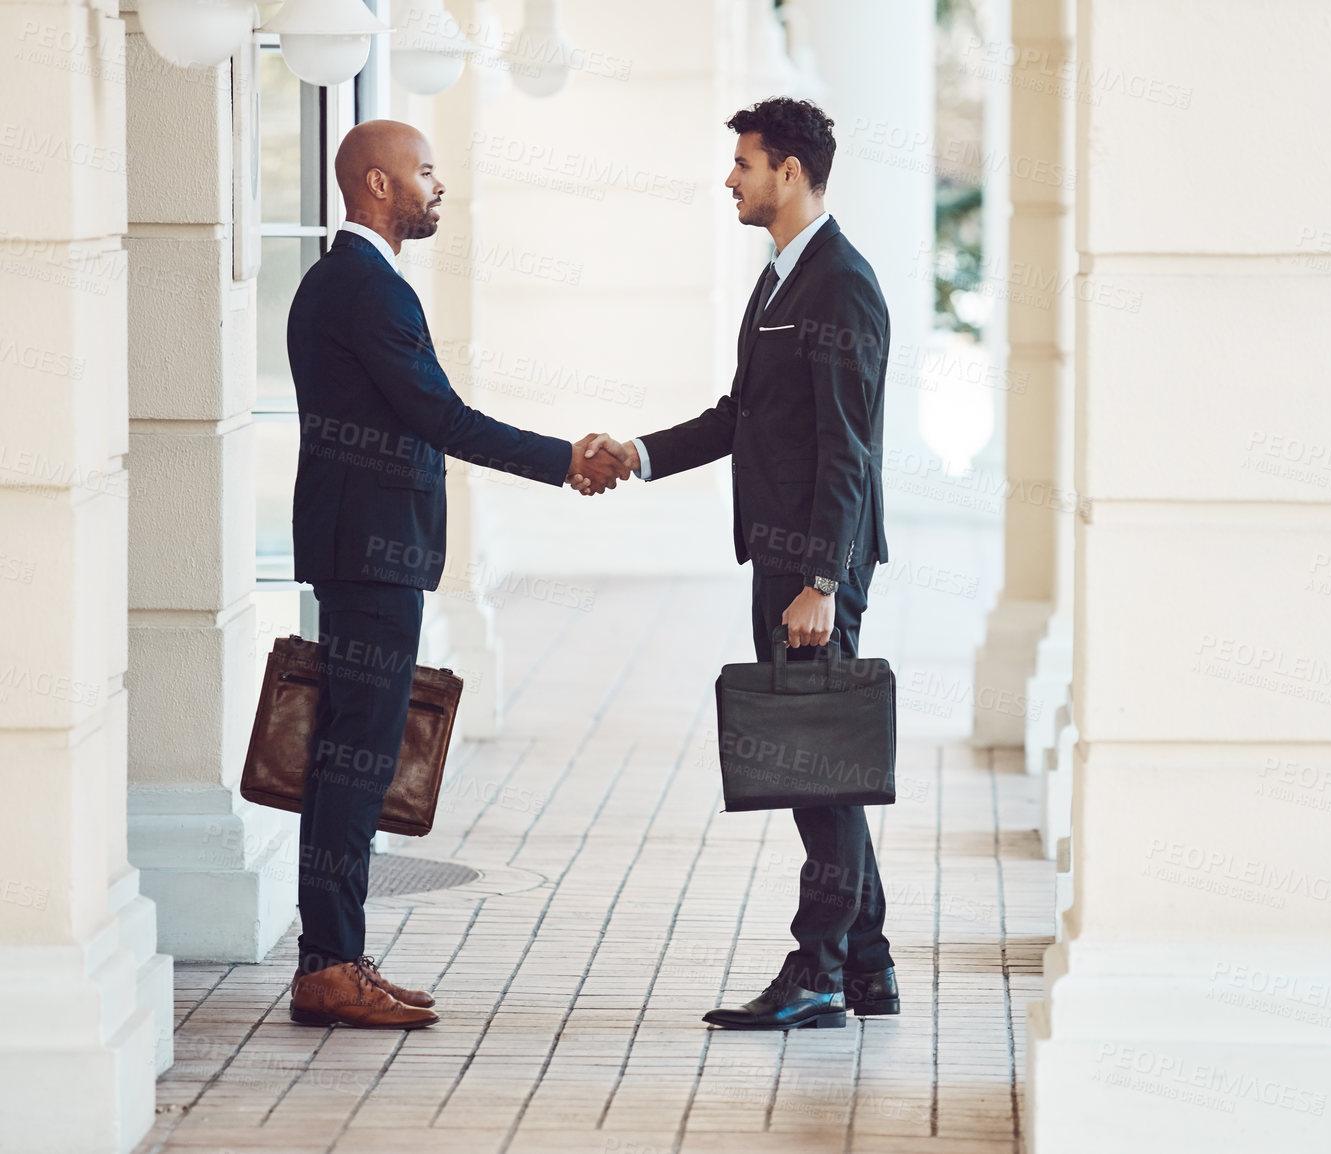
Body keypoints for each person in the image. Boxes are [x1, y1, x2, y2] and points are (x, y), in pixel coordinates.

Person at [285, 119, 625, 1029]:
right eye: (426, 173)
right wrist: (566, 459)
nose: (441, 188)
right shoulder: (364, 288)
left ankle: (336, 955)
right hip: (370, 554)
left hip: (362, 551)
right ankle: (328, 966)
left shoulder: (345, 282)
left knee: (349, 753)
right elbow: (442, 416)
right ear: (378, 186)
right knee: (354, 756)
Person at [581, 98, 898, 1030]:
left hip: (813, 570)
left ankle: (819, 973)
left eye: (745, 163)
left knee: (814, 770)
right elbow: (741, 416)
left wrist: (826, 584)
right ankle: (866, 967)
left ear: (790, 172)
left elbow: (850, 449)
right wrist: (637, 452)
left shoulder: (839, 283)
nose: (731, 178)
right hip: (784, 559)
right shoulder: (779, 281)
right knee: (821, 761)